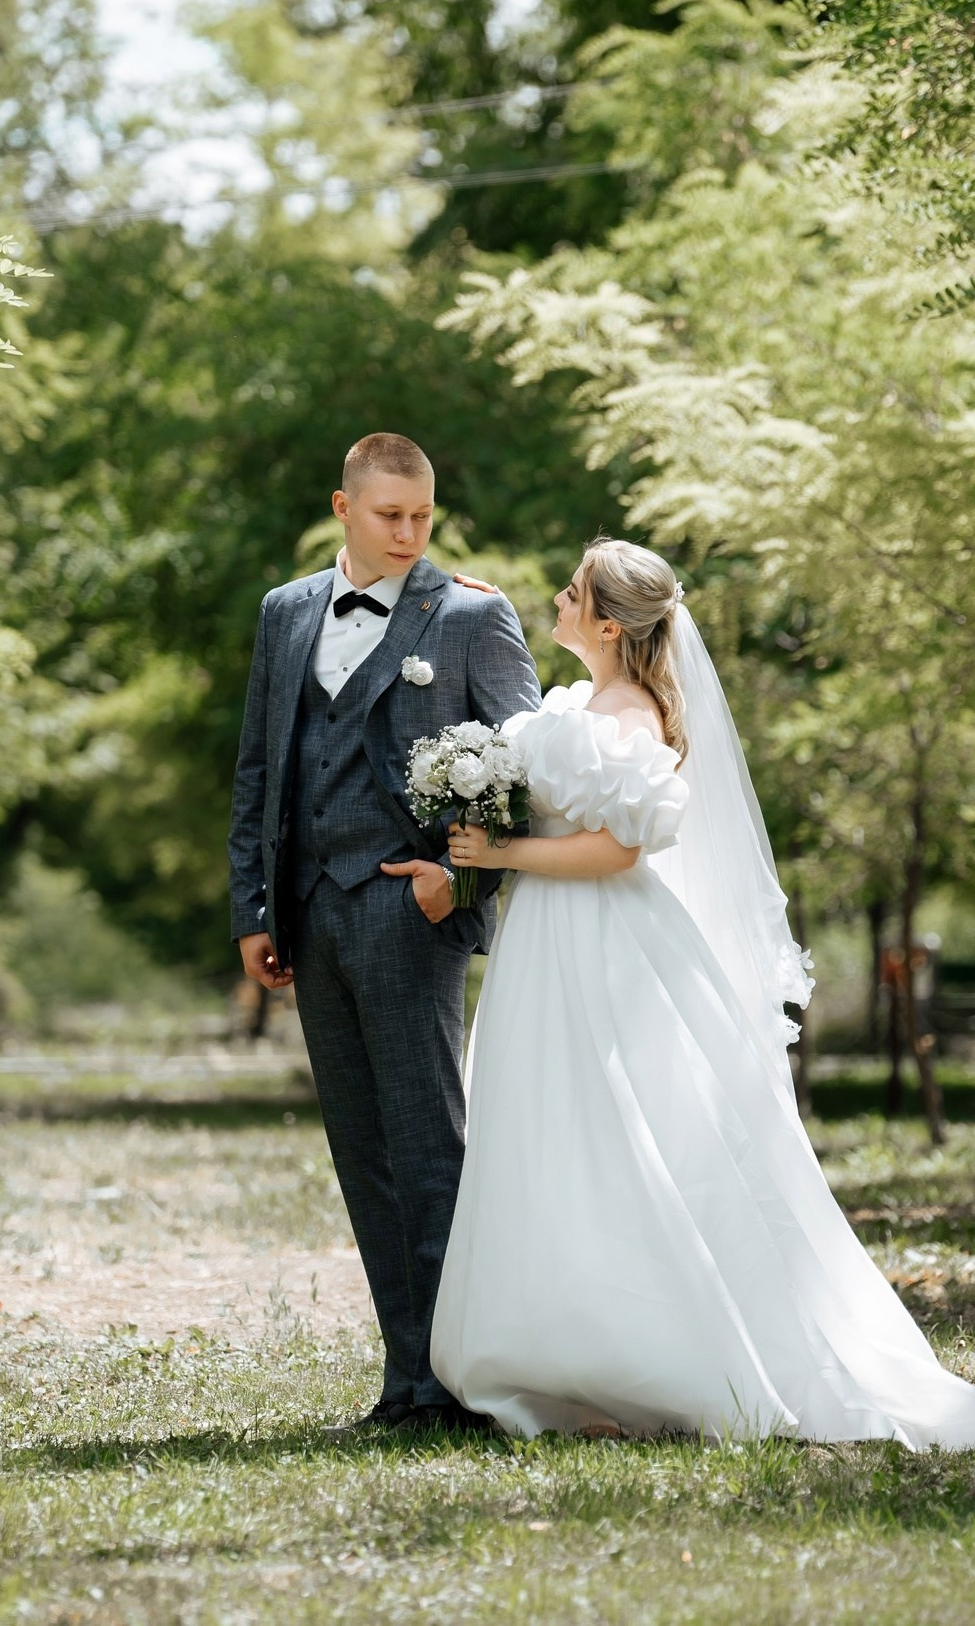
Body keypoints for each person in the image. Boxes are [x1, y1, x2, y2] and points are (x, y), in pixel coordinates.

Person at [430, 537, 975, 1448]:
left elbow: (619, 850)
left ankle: (643, 1358)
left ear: (604, 621)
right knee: (559, 1132)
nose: (556, 595)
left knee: (617, 1131)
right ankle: (564, 1357)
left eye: (571, 589)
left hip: (601, 941)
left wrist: (503, 854)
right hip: (548, 942)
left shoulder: (626, 717)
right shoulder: (586, 700)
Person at [227, 432, 541, 1434]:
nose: (407, 534)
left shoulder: (470, 616)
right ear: (342, 508)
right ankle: (404, 1380)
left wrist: (458, 878)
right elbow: (256, 771)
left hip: (410, 911)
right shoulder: (284, 614)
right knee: (362, 1150)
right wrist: (253, 912)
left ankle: (454, 1383)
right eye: (388, 515)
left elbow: (528, 763)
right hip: (311, 912)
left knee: (427, 1147)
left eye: (421, 516)